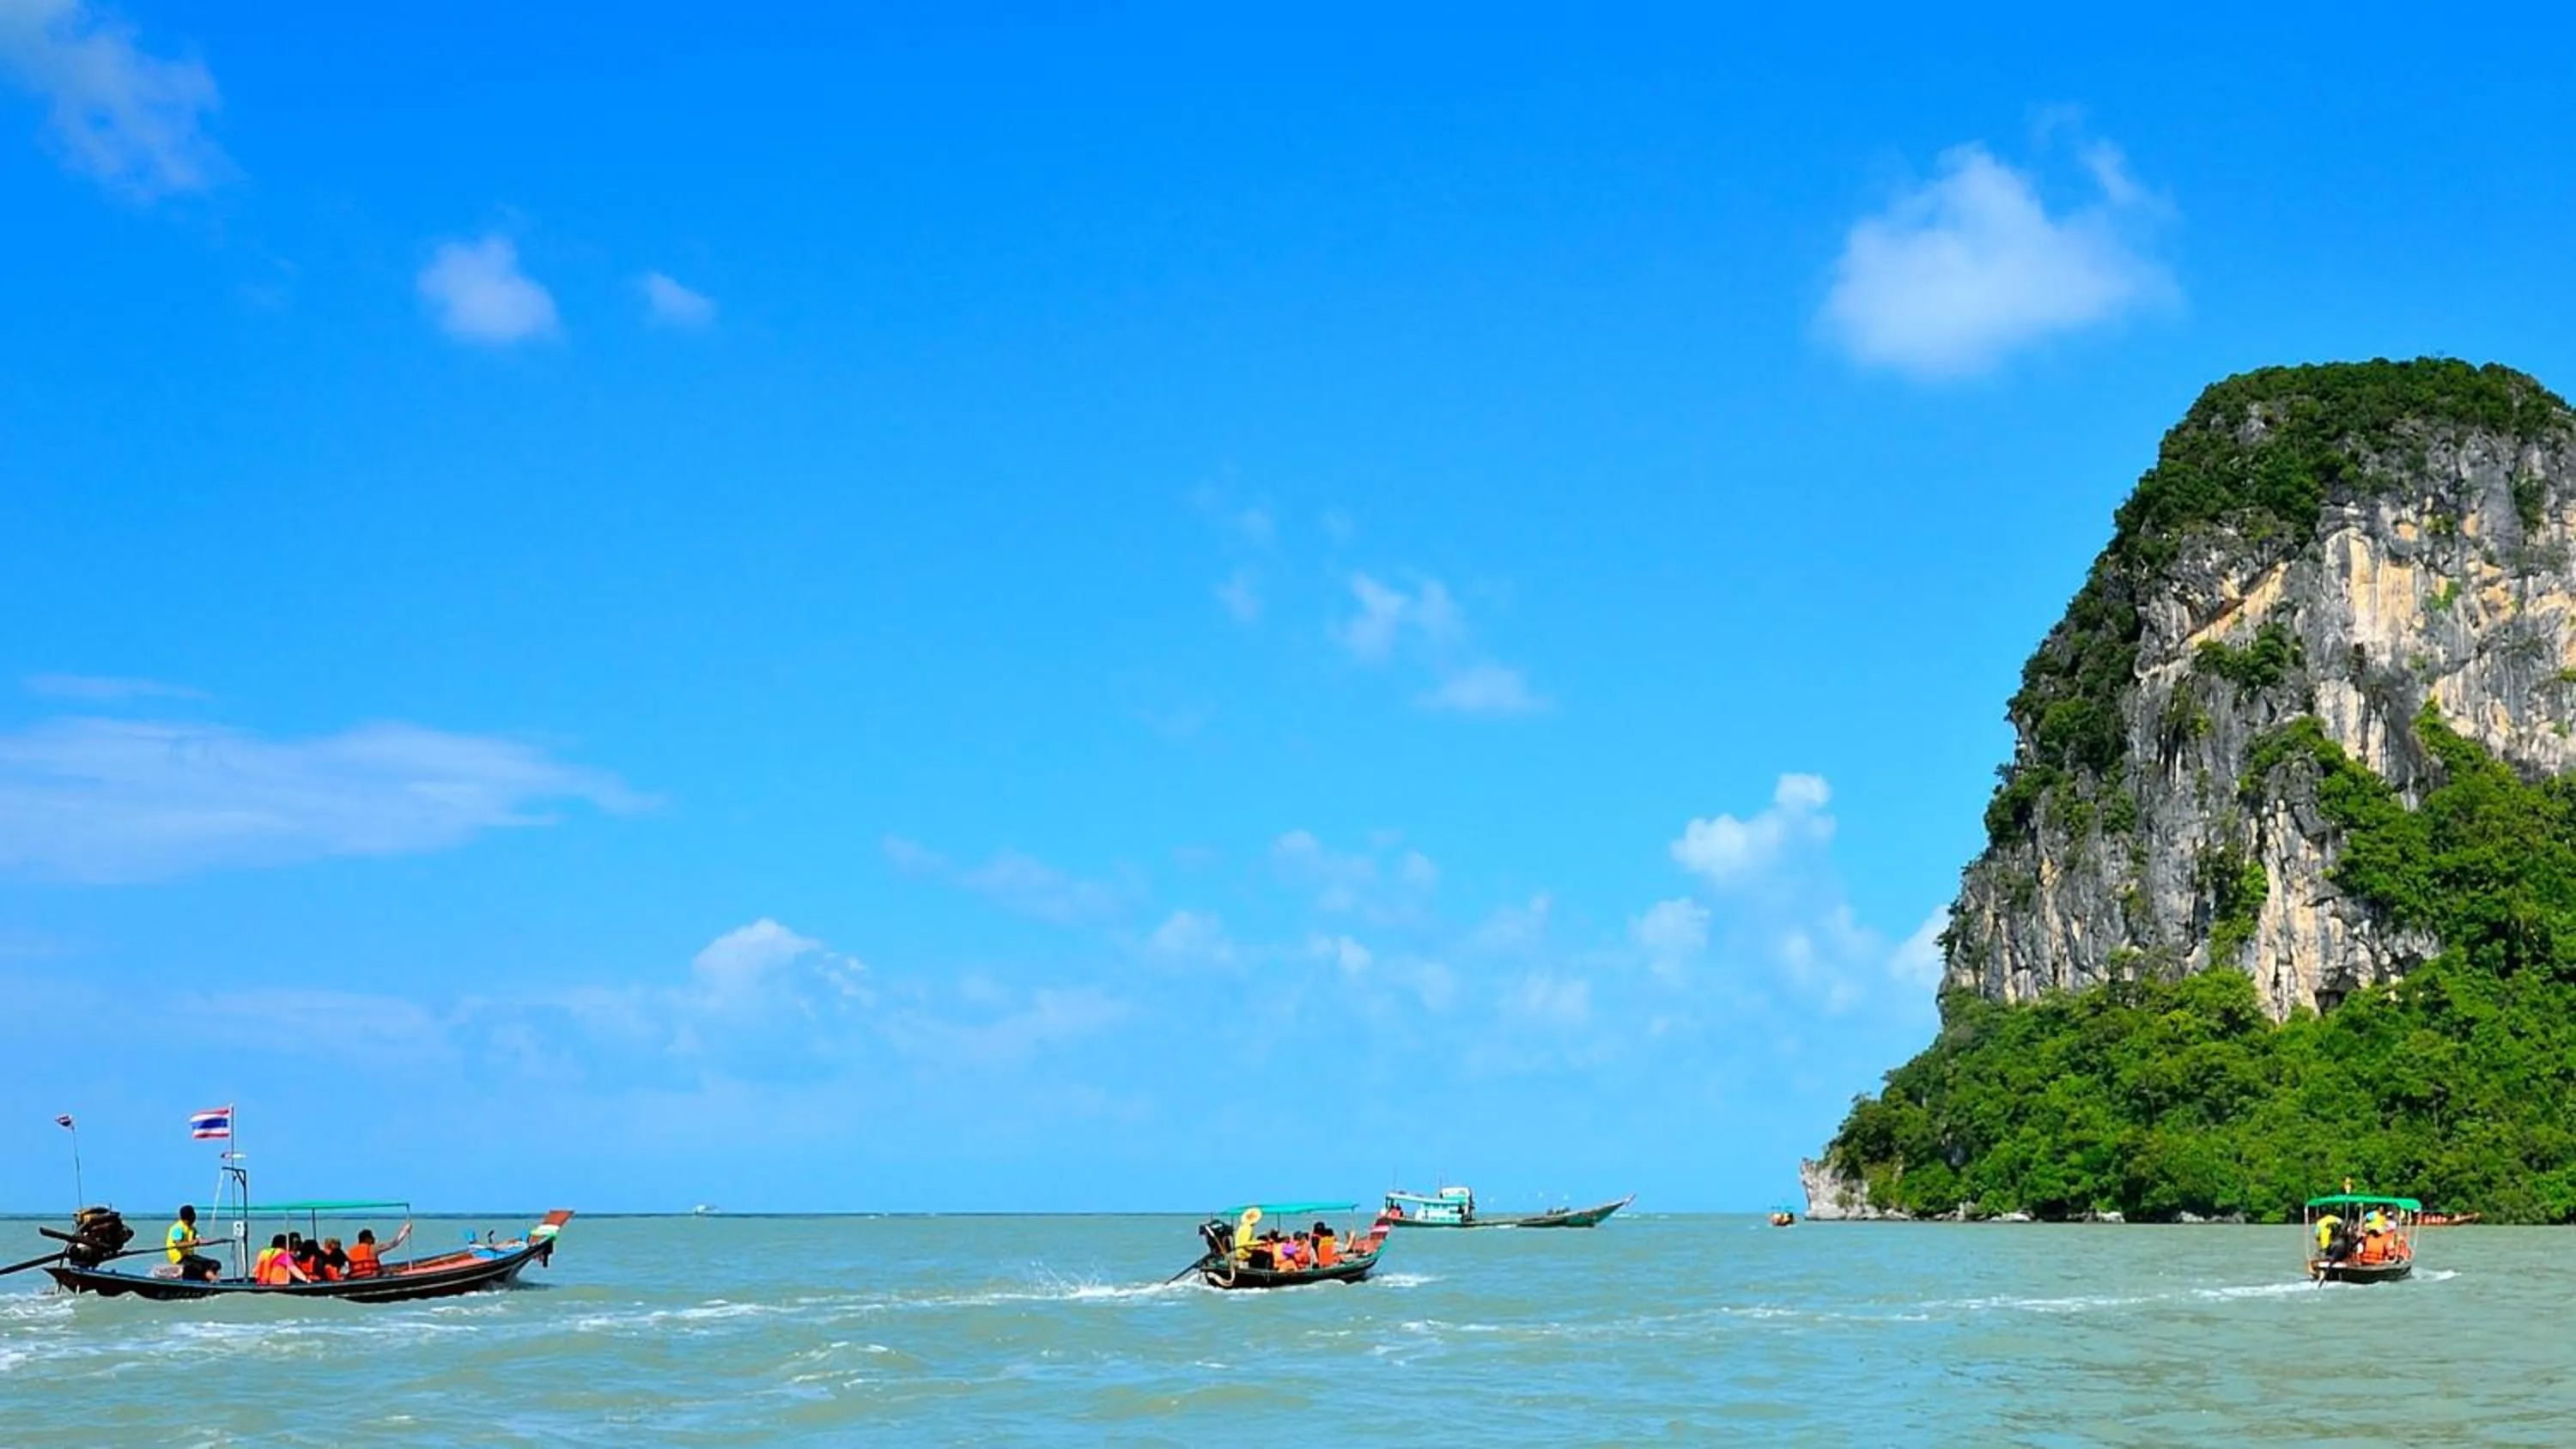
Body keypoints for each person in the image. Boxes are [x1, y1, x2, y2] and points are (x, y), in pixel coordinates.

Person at [165, 1205, 220, 1282]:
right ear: (191, 1216)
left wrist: (217, 1241)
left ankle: (210, 1280)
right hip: (179, 1259)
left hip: (190, 1256)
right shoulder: (178, 1228)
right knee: (200, 1267)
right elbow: (178, 1244)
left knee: (215, 1264)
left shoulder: (192, 1228)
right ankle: (212, 1280)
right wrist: (193, 1242)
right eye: (194, 1214)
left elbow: (200, 1240)